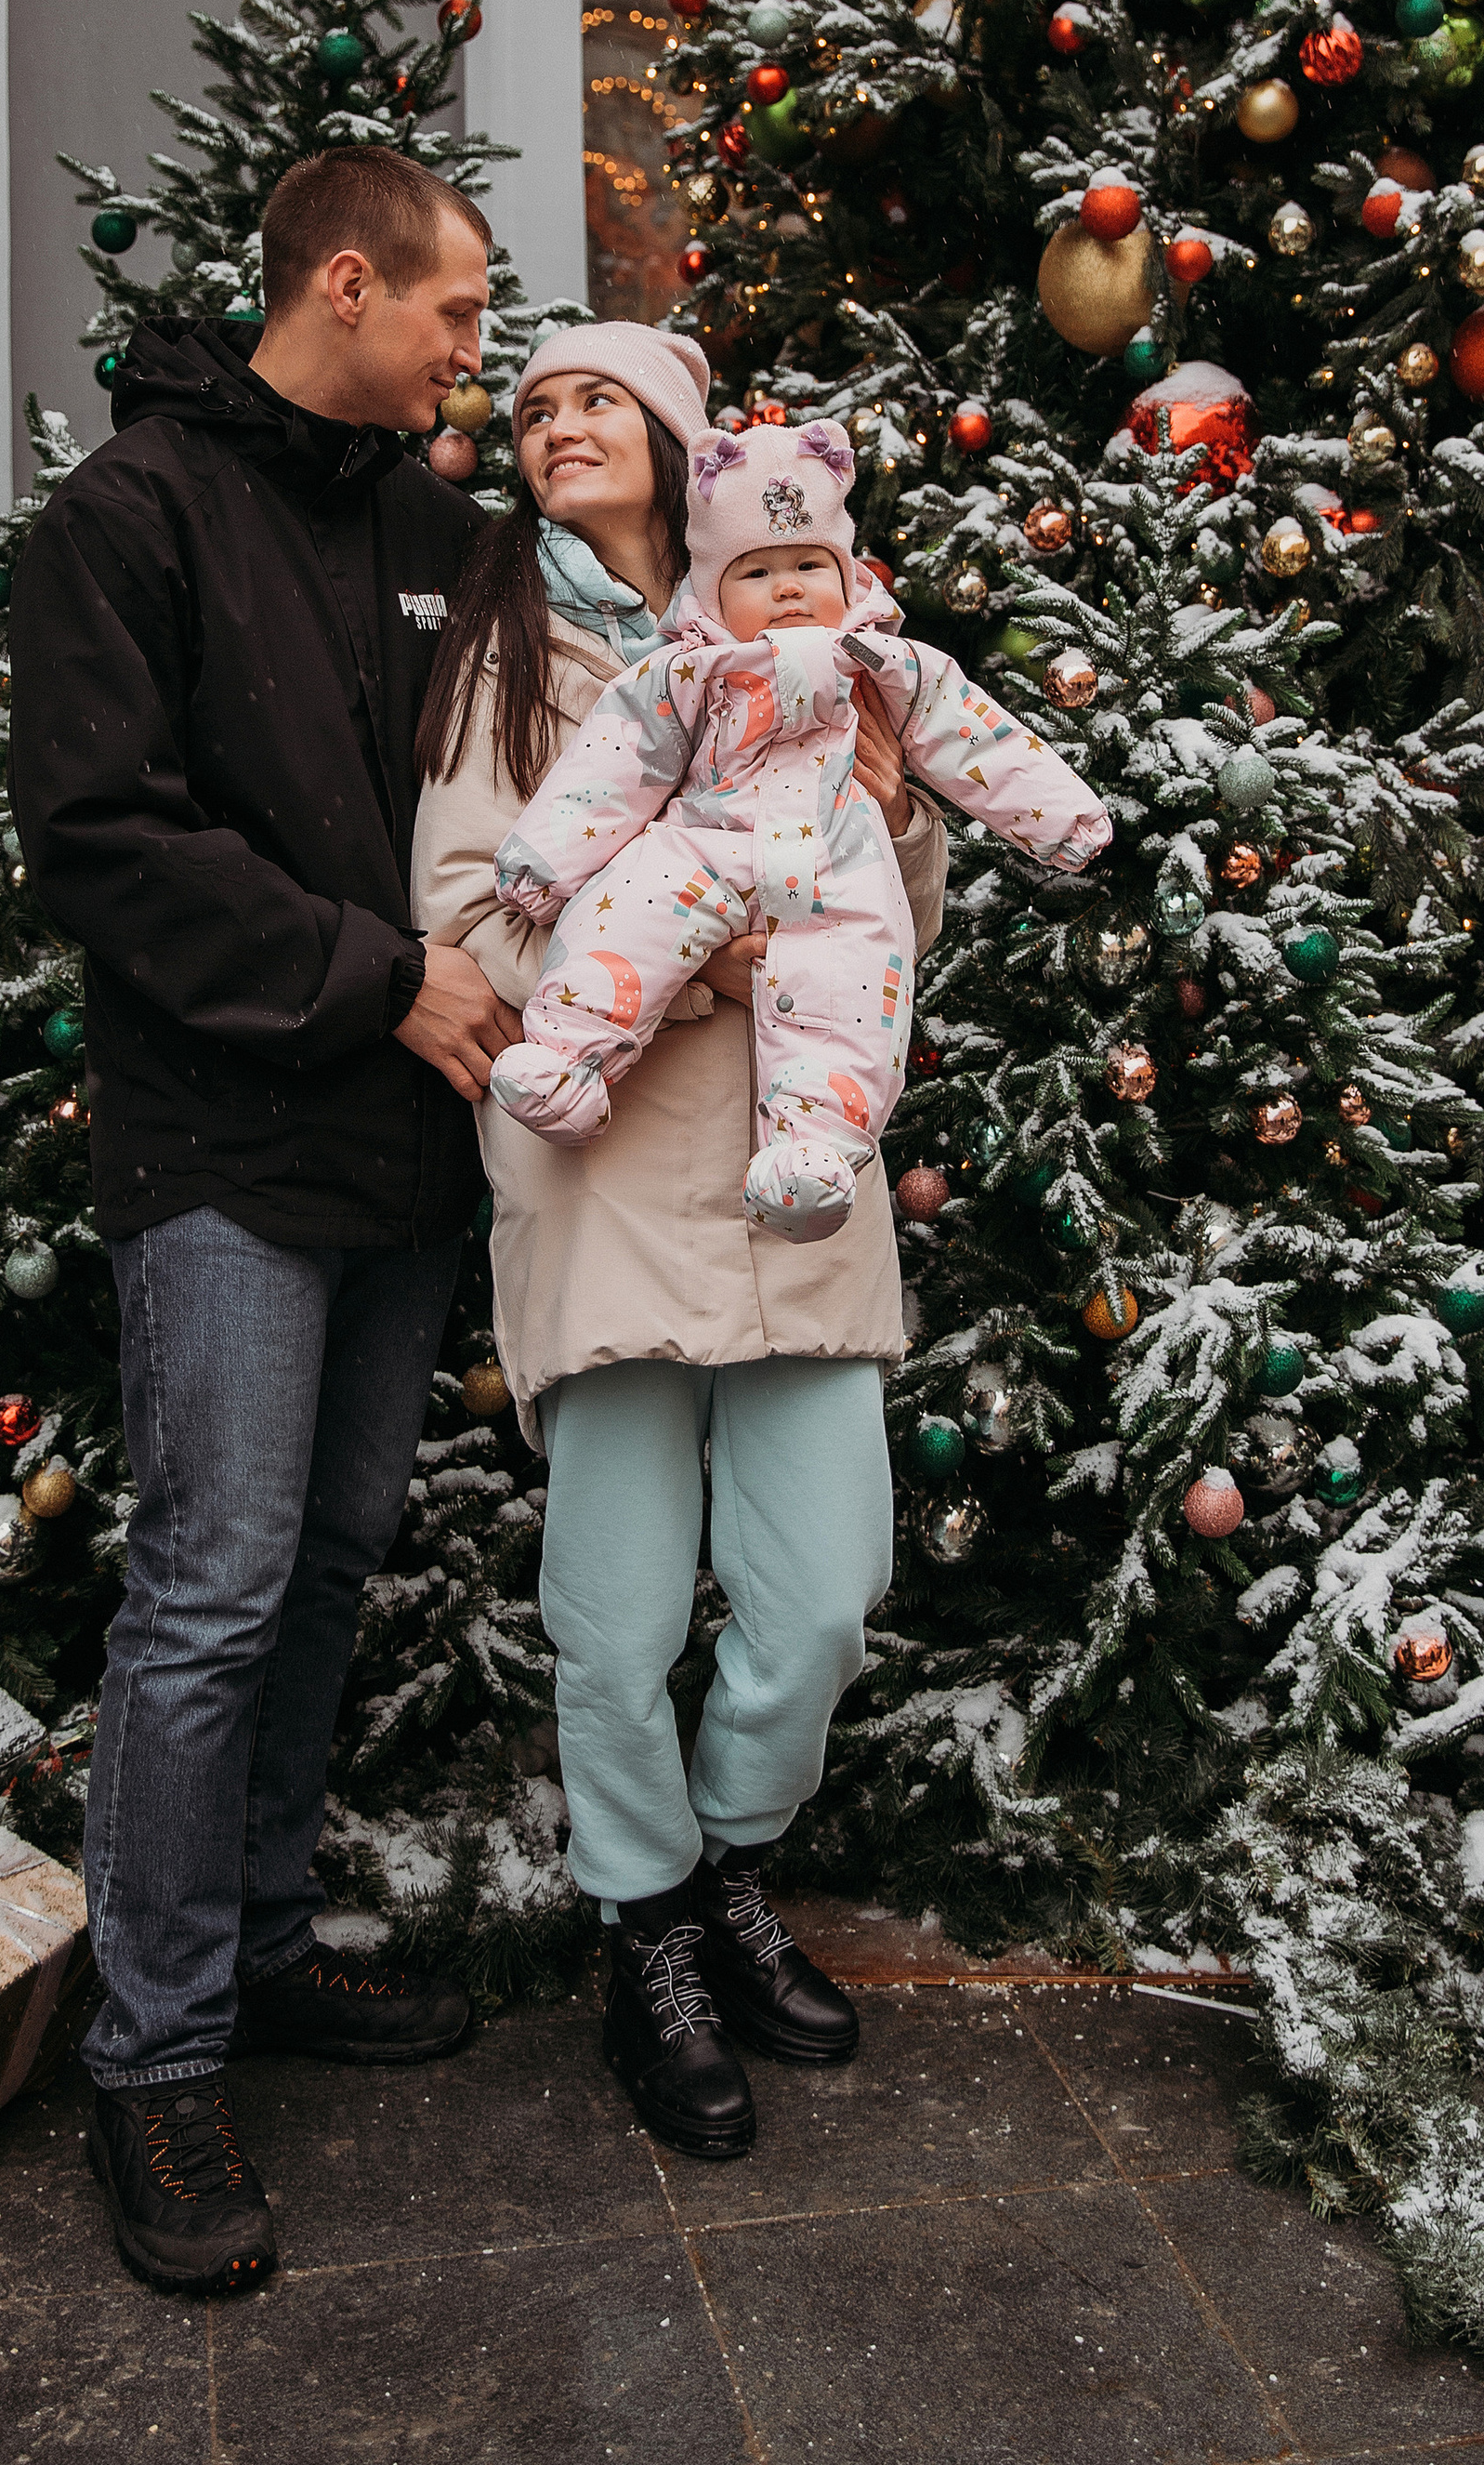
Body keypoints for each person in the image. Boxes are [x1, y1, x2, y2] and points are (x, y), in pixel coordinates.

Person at [10, 144, 519, 2300]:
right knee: (208, 1585)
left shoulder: (441, 532)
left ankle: (261, 1944)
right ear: (344, 281)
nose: (476, 353)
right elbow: (104, 838)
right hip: (223, 1143)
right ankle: (155, 2049)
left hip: (406, 1157)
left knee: (322, 1561)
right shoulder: (122, 522)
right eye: (459, 312)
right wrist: (376, 973)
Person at [411, 324, 949, 2164]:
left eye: (589, 400)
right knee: (618, 1615)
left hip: (797, 1180)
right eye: (530, 408)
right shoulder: (507, 657)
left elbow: (886, 914)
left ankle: (727, 1868)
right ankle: (647, 1928)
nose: (553, 426)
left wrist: (884, 824)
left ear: (677, 439)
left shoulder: (808, 624)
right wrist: (675, 967)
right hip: (607, 1185)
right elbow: (460, 916)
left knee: (814, 1603)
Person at [487, 416, 1110, 1235]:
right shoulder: (686, 670)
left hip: (835, 859)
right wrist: (547, 860)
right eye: (757, 572)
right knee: (627, 908)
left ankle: (811, 1147)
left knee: (849, 983)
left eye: (810, 565)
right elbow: (617, 760)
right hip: (704, 839)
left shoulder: (891, 665)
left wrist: (1067, 820)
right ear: (712, 594)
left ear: (847, 578)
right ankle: (568, 1054)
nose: (788, 588)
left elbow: (975, 735)